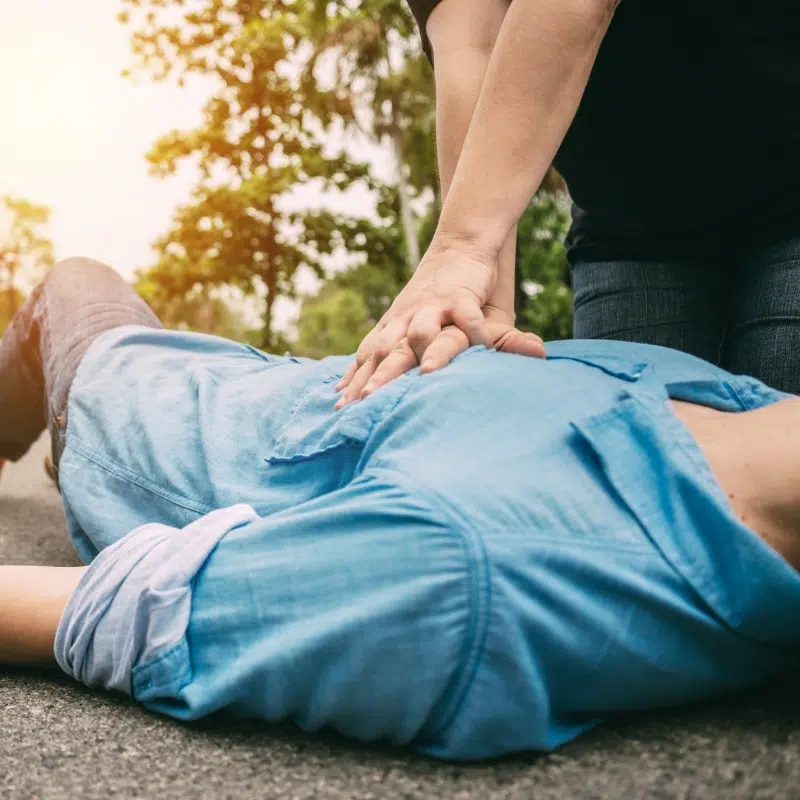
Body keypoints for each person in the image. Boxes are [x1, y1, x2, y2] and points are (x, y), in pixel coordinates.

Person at [2, 258, 800, 761]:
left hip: (136, 407)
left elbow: (128, 611)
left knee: (74, 280)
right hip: (273, 380)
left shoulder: (468, 567)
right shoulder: (731, 397)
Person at [334, 0, 800, 408]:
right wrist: (480, 308)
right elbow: (476, 45)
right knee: (631, 461)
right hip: (630, 221)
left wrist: (461, 246)